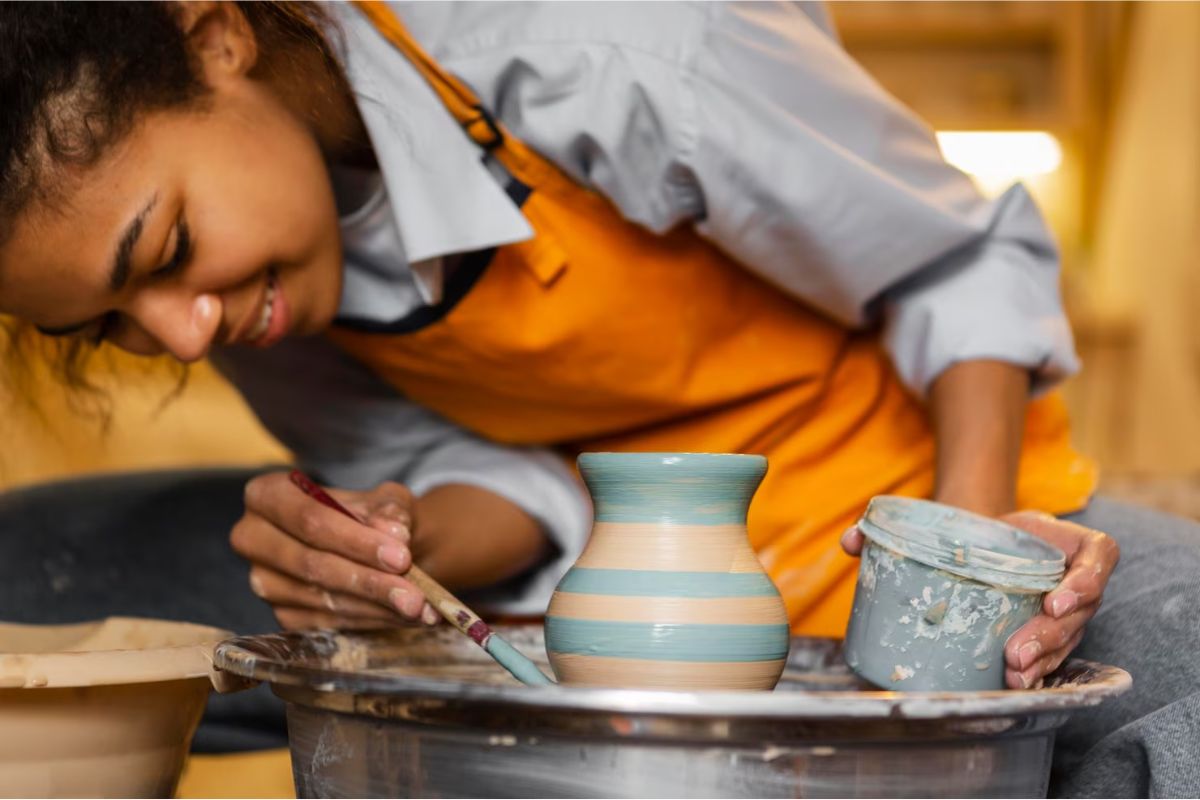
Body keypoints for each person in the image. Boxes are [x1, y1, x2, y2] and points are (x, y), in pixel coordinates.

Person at [0, 2, 1195, 795]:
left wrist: (960, 592)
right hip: (599, 578)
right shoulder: (244, 290)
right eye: (105, 324)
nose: (179, 329)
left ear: (215, 38)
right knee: (30, 565)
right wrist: (393, 544)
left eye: (162, 250)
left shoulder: (603, 36)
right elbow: (513, 489)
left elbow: (949, 256)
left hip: (906, 499)